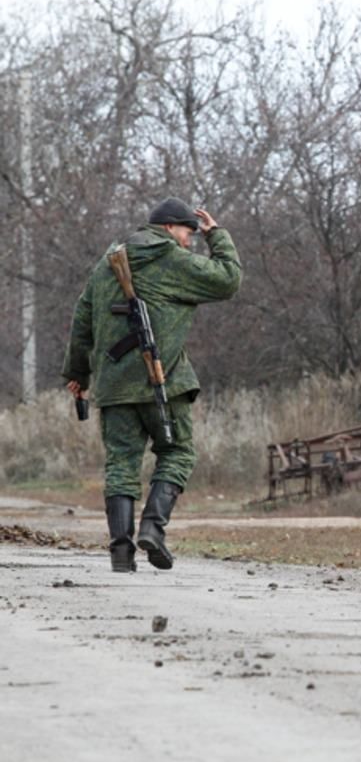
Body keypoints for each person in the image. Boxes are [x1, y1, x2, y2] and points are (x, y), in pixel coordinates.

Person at [62, 198, 241, 573]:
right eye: (187, 232)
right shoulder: (172, 260)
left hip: (113, 387)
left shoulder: (107, 262)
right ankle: (153, 529)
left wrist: (78, 375)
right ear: (168, 228)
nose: (190, 240)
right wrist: (217, 235)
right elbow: (228, 280)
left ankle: (121, 553)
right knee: (177, 453)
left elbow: (82, 318)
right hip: (164, 382)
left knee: (121, 463)